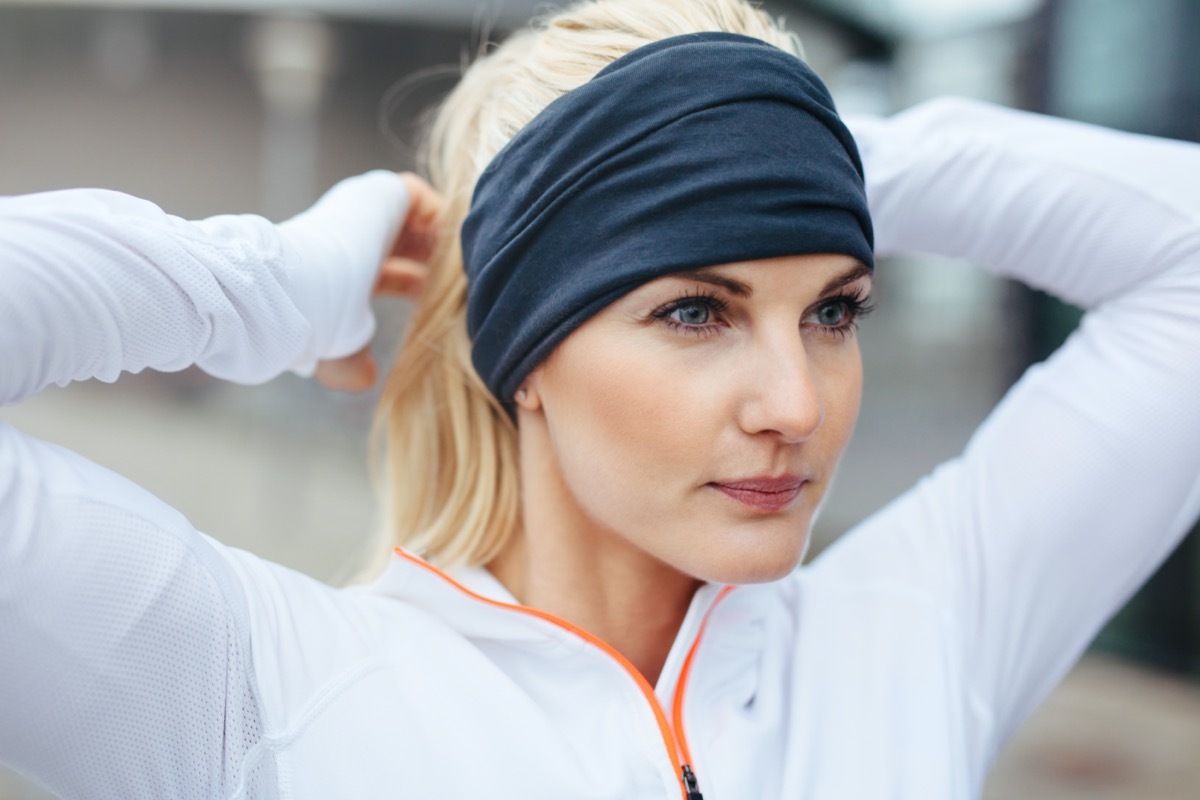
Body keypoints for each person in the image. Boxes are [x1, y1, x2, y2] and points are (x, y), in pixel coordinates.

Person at [2, 0, 1198, 798]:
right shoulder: (256, 692)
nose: (797, 401)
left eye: (834, 309)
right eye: (695, 311)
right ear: (521, 354)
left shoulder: (918, 633)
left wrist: (789, 138)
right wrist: (259, 285)